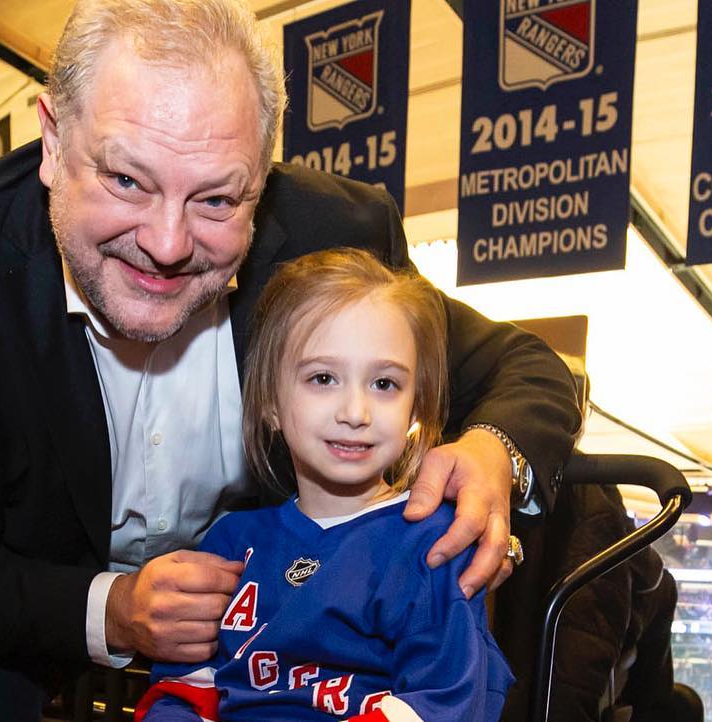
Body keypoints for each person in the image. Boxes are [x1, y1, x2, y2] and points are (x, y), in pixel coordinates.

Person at [0, 0, 581, 717]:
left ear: (262, 181)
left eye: (216, 199)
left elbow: (524, 368)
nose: (167, 245)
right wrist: (115, 610)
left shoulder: (333, 235)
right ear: (52, 141)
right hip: (17, 617)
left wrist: (495, 451)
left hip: (276, 631)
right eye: (127, 181)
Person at [135, 249, 514, 721]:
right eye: (323, 378)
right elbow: (182, 690)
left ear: (416, 406)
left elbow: (445, 702)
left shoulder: (433, 545)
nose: (355, 412)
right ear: (270, 401)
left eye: (384, 384)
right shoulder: (231, 544)